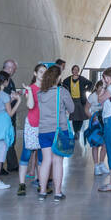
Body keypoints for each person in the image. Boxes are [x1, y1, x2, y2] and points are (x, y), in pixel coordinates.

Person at [36, 65, 72, 202]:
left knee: (46, 161)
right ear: (58, 78)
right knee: (57, 162)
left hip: (43, 130)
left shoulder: (40, 93)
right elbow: (72, 108)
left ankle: (43, 192)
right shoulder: (61, 91)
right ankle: (57, 193)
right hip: (59, 130)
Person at [0, 72, 21, 190]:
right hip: (4, 125)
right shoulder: (4, 95)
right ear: (5, 81)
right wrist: (18, 101)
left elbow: (0, 107)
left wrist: (10, 99)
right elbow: (10, 113)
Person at [16, 63, 46, 196]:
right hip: (32, 124)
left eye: (45, 72)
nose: (43, 74)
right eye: (40, 72)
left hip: (44, 125)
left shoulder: (48, 89)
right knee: (26, 154)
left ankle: (41, 182)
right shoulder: (31, 88)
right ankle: (22, 184)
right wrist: (29, 91)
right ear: (35, 74)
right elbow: (30, 106)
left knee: (41, 156)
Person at [1, 59, 19, 176]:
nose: (14, 71)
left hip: (10, 115)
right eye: (14, 69)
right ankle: (1, 166)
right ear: (10, 68)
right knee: (2, 142)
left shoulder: (9, 80)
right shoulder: (2, 80)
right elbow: (2, 97)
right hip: (5, 115)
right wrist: (14, 98)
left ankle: (12, 164)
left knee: (11, 140)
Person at [64, 64, 90, 142]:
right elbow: (63, 86)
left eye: (77, 69)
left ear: (78, 71)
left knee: (81, 117)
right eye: (74, 69)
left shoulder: (82, 79)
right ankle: (76, 132)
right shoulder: (67, 80)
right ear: (72, 71)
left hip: (80, 100)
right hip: (72, 101)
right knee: (75, 117)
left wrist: (86, 90)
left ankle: (77, 131)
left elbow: (90, 83)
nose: (75, 71)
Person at [87, 79, 107, 176]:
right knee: (95, 144)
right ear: (97, 87)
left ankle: (102, 164)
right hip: (95, 122)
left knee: (105, 144)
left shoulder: (106, 96)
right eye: (101, 86)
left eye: (104, 87)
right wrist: (92, 117)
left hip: (104, 121)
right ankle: (96, 166)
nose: (102, 88)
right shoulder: (92, 96)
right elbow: (86, 109)